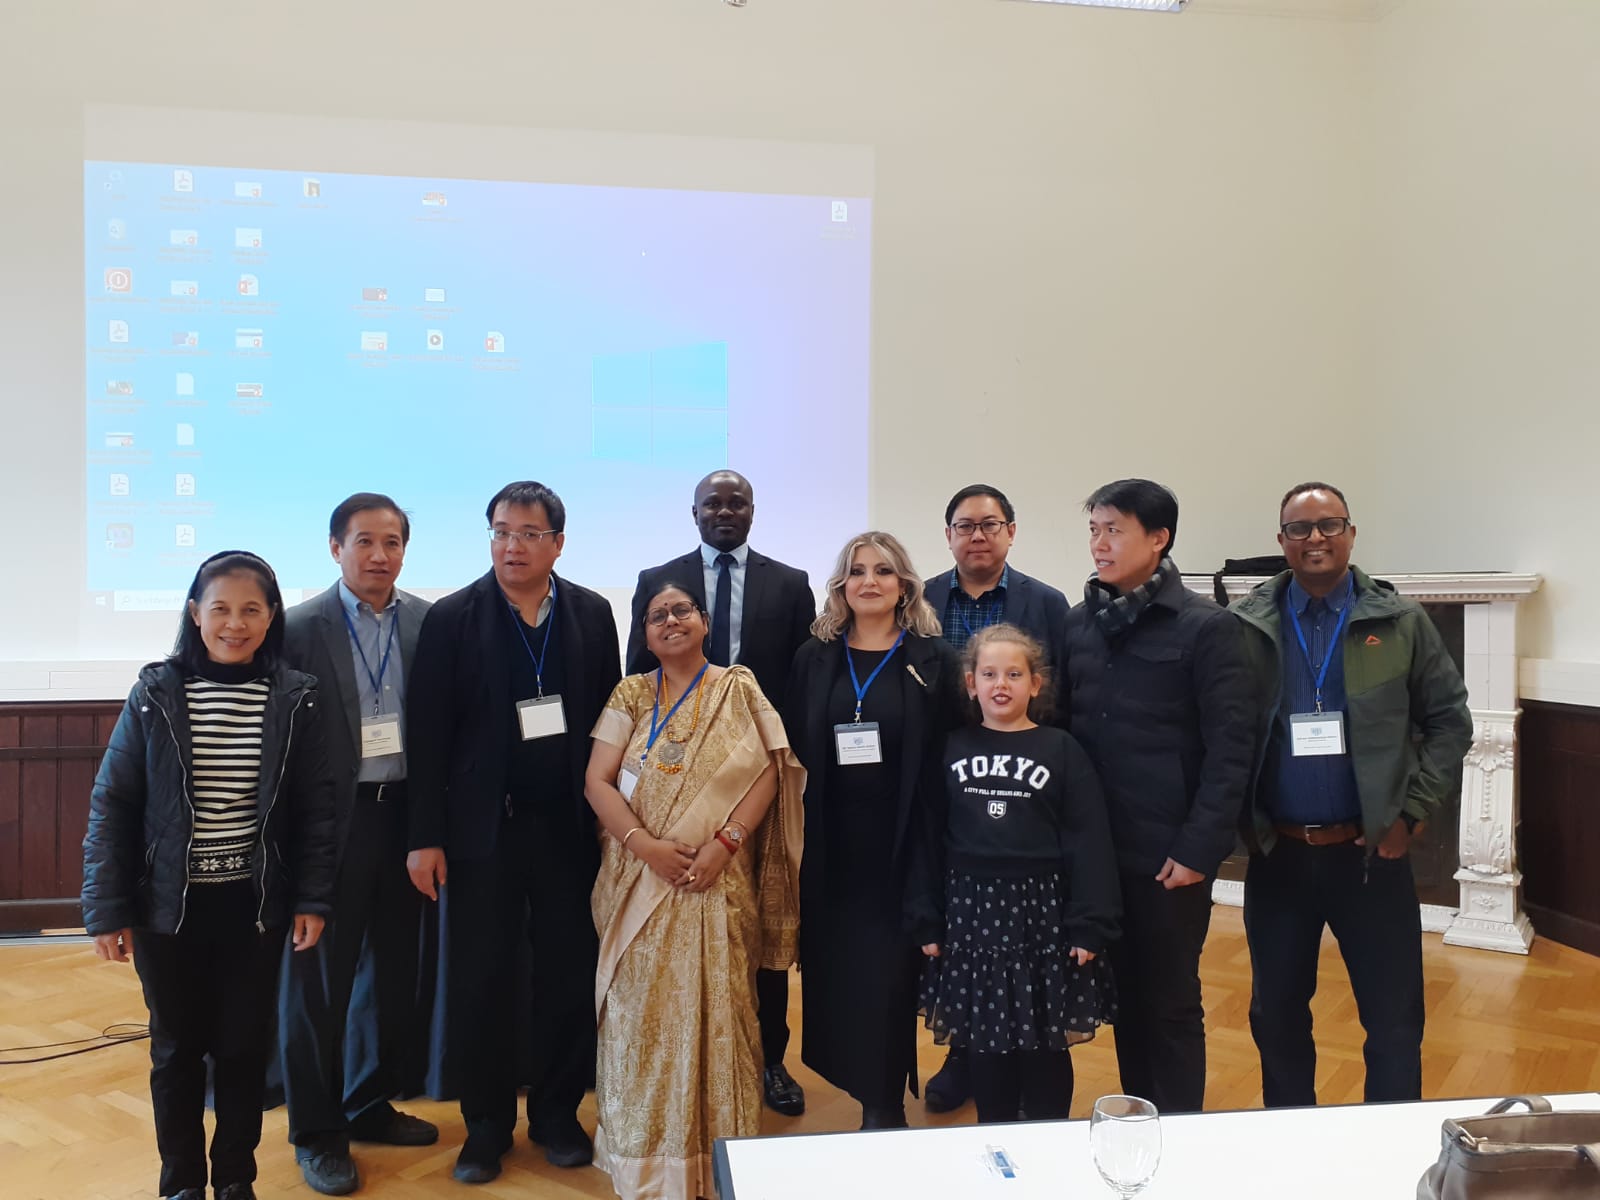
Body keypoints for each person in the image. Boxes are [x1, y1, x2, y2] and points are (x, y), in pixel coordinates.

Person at [82, 551, 337, 1200]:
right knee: (176, 1050)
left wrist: (312, 897)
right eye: (220, 608)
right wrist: (106, 909)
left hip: (253, 907)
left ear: (272, 616)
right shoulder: (156, 693)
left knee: (243, 1049)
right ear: (195, 613)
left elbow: (316, 810)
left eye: (251, 609)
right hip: (169, 909)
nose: (235, 623)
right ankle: (182, 1184)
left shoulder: (295, 697)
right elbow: (114, 803)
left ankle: (234, 1179)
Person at [405, 481, 621, 1184]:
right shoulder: (452, 617)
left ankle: (558, 1115)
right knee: (481, 982)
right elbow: (427, 736)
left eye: (529, 534)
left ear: (558, 543)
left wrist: (612, 824)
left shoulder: (591, 614)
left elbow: (610, 724)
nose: (512, 546)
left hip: (567, 831)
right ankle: (486, 1127)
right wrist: (424, 836)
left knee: (566, 977)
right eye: (501, 531)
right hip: (480, 835)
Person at [1231, 482, 1471, 1107]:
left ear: (1351, 534)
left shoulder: (1401, 623)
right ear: (1281, 540)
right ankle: (1291, 1136)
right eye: (1299, 528)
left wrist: (1410, 814)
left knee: (1394, 1022)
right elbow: (1221, 731)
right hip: (1279, 856)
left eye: (1329, 524)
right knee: (1276, 1017)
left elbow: (1450, 722)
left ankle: (1387, 1146)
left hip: (1371, 857)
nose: (1315, 538)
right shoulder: (1245, 626)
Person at [585, 584, 805, 1199]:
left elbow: (769, 770)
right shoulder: (630, 694)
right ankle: (646, 1162)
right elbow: (598, 781)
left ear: (704, 622)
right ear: (645, 633)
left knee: (723, 1009)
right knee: (639, 1017)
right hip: (638, 881)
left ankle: (720, 1159)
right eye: (657, 615)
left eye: (682, 610)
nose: (671, 620)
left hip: (716, 881)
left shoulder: (739, 688)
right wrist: (646, 847)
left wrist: (726, 842)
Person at [624, 468, 815, 1117]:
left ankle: (769, 1060)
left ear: (753, 511)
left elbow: (800, 683)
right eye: (713, 503)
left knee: (763, 923)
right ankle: (689, 1055)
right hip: (678, 789)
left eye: (737, 503)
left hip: (759, 783)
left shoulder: (789, 583)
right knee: (682, 923)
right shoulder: (658, 579)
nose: (725, 512)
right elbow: (639, 681)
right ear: (695, 512)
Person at [1060, 479, 1254, 1115]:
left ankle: (1179, 1133)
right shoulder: (1078, 624)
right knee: (1123, 998)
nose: (1099, 543)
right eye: (1094, 530)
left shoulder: (1208, 628)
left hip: (1170, 857)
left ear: (1158, 538)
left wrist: (1199, 849)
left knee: (1169, 1001)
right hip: (1097, 852)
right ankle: (1141, 1120)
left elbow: (1231, 750)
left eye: (1113, 530)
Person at [279, 494, 436, 1195]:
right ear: (335, 548)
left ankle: (367, 1103)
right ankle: (317, 1133)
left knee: (391, 975)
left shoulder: (429, 623)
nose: (379, 555)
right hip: (327, 827)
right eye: (365, 541)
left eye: (392, 542)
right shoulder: (297, 627)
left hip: (402, 820)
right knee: (318, 985)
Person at [786, 531, 966, 1130]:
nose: (869, 582)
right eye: (857, 571)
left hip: (904, 845)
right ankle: (861, 1085)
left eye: (883, 571)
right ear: (841, 585)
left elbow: (952, 750)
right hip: (832, 846)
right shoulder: (814, 657)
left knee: (890, 978)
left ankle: (884, 1106)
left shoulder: (933, 659)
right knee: (841, 975)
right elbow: (793, 748)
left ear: (904, 585)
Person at [912, 624, 1119, 1125]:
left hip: (1041, 915)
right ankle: (996, 1134)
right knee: (985, 1040)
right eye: (988, 674)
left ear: (1035, 683)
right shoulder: (950, 748)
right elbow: (927, 840)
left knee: (1046, 1040)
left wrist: (1089, 922)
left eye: (1013, 674)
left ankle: (1047, 1135)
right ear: (970, 683)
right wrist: (925, 917)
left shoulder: (1061, 749)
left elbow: (1088, 839)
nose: (1000, 684)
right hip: (970, 913)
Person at [919, 483, 1072, 1112]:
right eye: (965, 525)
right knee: (970, 956)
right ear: (948, 535)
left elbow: (1066, 689)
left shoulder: (1048, 603)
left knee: (1022, 963)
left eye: (989, 524)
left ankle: (1027, 1071)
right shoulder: (921, 600)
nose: (977, 536)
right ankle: (964, 1058)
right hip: (950, 771)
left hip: (1024, 774)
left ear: (1011, 531)